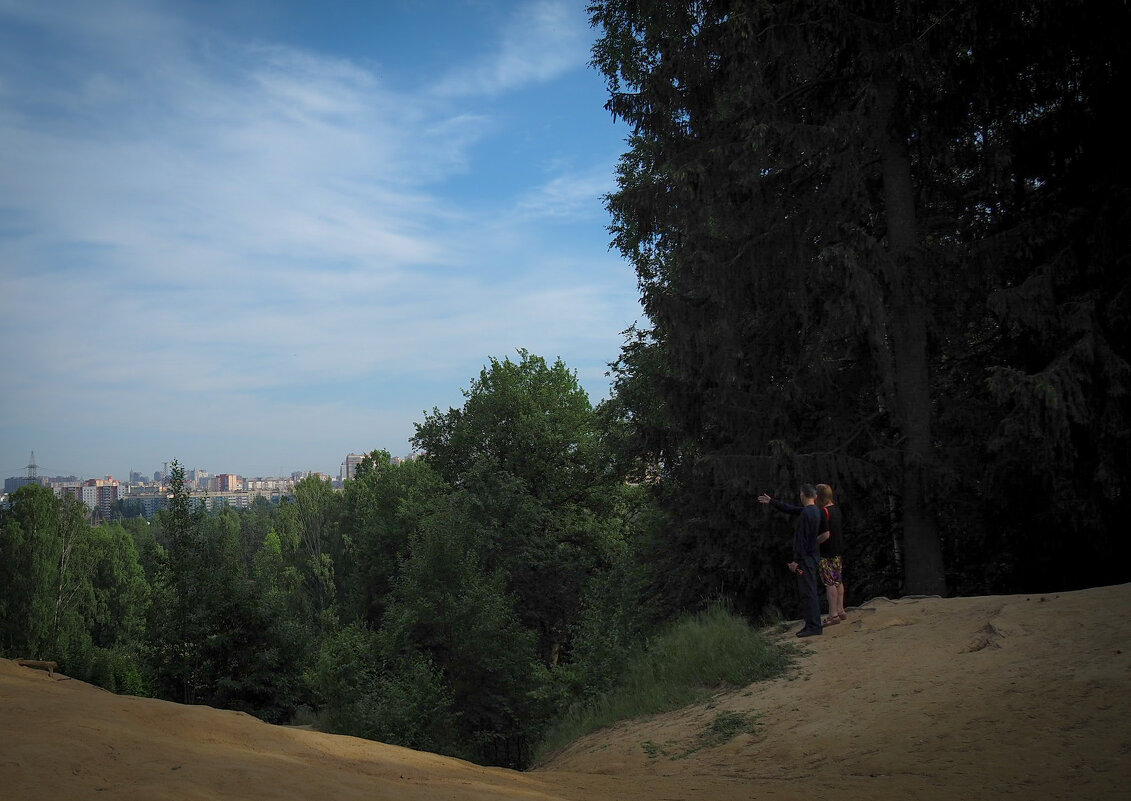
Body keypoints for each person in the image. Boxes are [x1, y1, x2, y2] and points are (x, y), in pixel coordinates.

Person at [758, 485, 823, 637]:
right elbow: (791, 509)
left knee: (808, 592)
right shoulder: (814, 511)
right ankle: (812, 624)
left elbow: (802, 540)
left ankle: (813, 626)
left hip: (805, 560)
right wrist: (773, 502)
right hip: (812, 557)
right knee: (810, 591)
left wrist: (796, 561)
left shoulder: (807, 514)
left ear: (803, 495)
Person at [815, 483, 847, 624]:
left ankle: (833, 614)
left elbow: (826, 534)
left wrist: (815, 541)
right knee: (838, 580)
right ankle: (840, 610)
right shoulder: (836, 509)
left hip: (826, 552)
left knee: (829, 583)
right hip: (837, 550)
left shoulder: (824, 512)